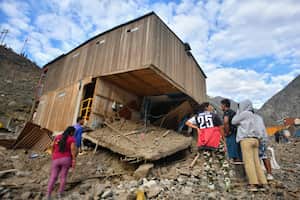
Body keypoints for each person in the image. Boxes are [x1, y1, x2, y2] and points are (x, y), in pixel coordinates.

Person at [185, 102, 230, 191]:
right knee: (222, 160)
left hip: (204, 142)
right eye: (210, 106)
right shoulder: (214, 116)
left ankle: (211, 183)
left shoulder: (197, 116)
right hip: (216, 140)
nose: (211, 107)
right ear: (206, 107)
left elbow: (187, 122)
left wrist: (197, 128)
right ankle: (227, 180)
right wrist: (224, 141)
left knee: (208, 162)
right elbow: (221, 128)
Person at [232, 100, 267, 191]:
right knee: (257, 162)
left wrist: (238, 111)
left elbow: (233, 121)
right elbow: (262, 130)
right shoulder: (257, 116)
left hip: (246, 140)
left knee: (248, 162)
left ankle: (253, 184)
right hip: (256, 140)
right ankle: (262, 182)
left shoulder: (244, 114)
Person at [47, 126, 77, 199]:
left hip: (56, 159)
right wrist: (73, 160)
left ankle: (48, 195)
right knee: (63, 177)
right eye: (74, 132)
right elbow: (73, 150)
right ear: (71, 132)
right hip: (66, 159)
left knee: (53, 177)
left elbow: (52, 146)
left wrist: (54, 154)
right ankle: (60, 194)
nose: (74, 134)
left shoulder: (57, 137)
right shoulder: (71, 139)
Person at [254, 113, 274, 181]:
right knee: (263, 156)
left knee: (261, 156)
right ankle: (268, 174)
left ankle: (268, 174)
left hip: (260, 139)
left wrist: (259, 139)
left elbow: (258, 130)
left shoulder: (253, 118)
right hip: (262, 138)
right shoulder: (258, 117)